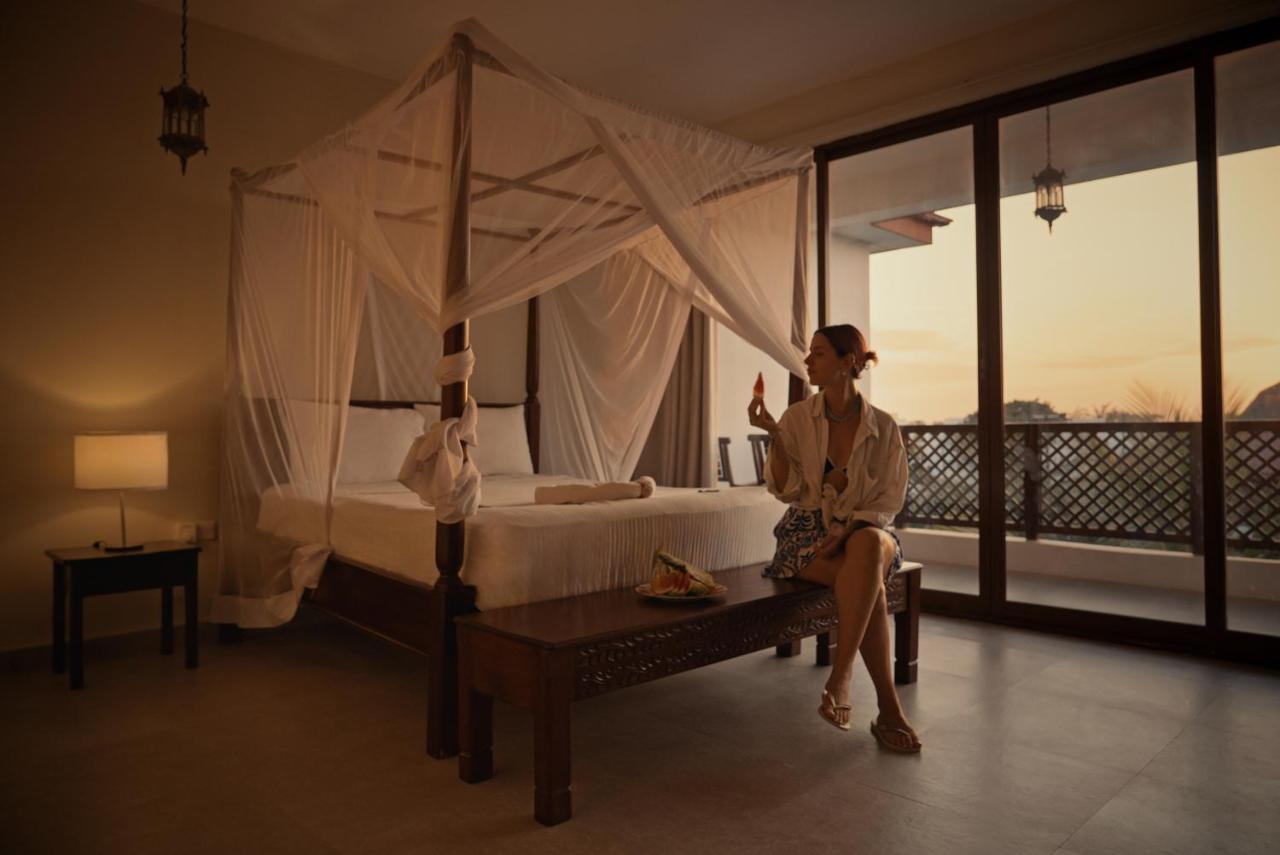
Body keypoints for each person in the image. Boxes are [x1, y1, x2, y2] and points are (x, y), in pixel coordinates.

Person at [748, 324, 921, 753]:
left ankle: (841, 677)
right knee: (867, 584)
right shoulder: (795, 419)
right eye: (810, 352)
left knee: (867, 544)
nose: (808, 360)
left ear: (848, 362)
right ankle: (888, 709)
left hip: (866, 530)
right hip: (806, 534)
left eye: (819, 353)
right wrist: (774, 436)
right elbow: (785, 491)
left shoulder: (883, 426)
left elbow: (889, 499)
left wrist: (850, 527)